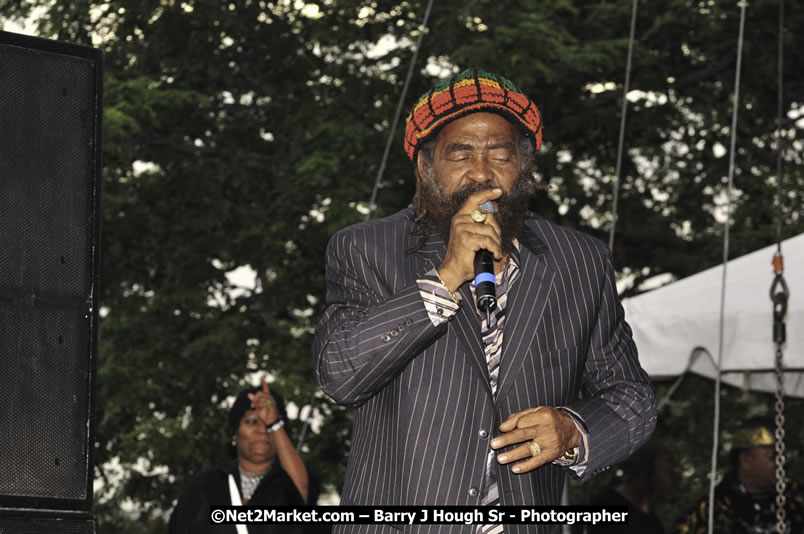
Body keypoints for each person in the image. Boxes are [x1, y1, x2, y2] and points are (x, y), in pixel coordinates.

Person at [313, 67, 657, 533]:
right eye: (461, 154)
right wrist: (447, 275)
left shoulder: (580, 261)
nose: (480, 172)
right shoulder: (367, 250)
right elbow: (339, 374)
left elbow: (632, 396)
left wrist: (574, 428)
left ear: (524, 166)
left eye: (499, 153)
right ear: (426, 166)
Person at [168, 377, 310, 533]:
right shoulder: (205, 484)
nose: (262, 430)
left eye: (268, 425)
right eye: (252, 422)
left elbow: (301, 490)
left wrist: (275, 422)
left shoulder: (288, 485)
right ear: (234, 434)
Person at [673, 417, 804, 534]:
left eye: (783, 455)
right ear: (746, 460)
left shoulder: (796, 496)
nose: (782, 462)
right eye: (773, 456)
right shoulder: (712, 510)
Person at [583, 439, 679, 533]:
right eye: (667, 461)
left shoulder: (654, 525)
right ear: (647, 464)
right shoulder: (603, 504)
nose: (675, 469)